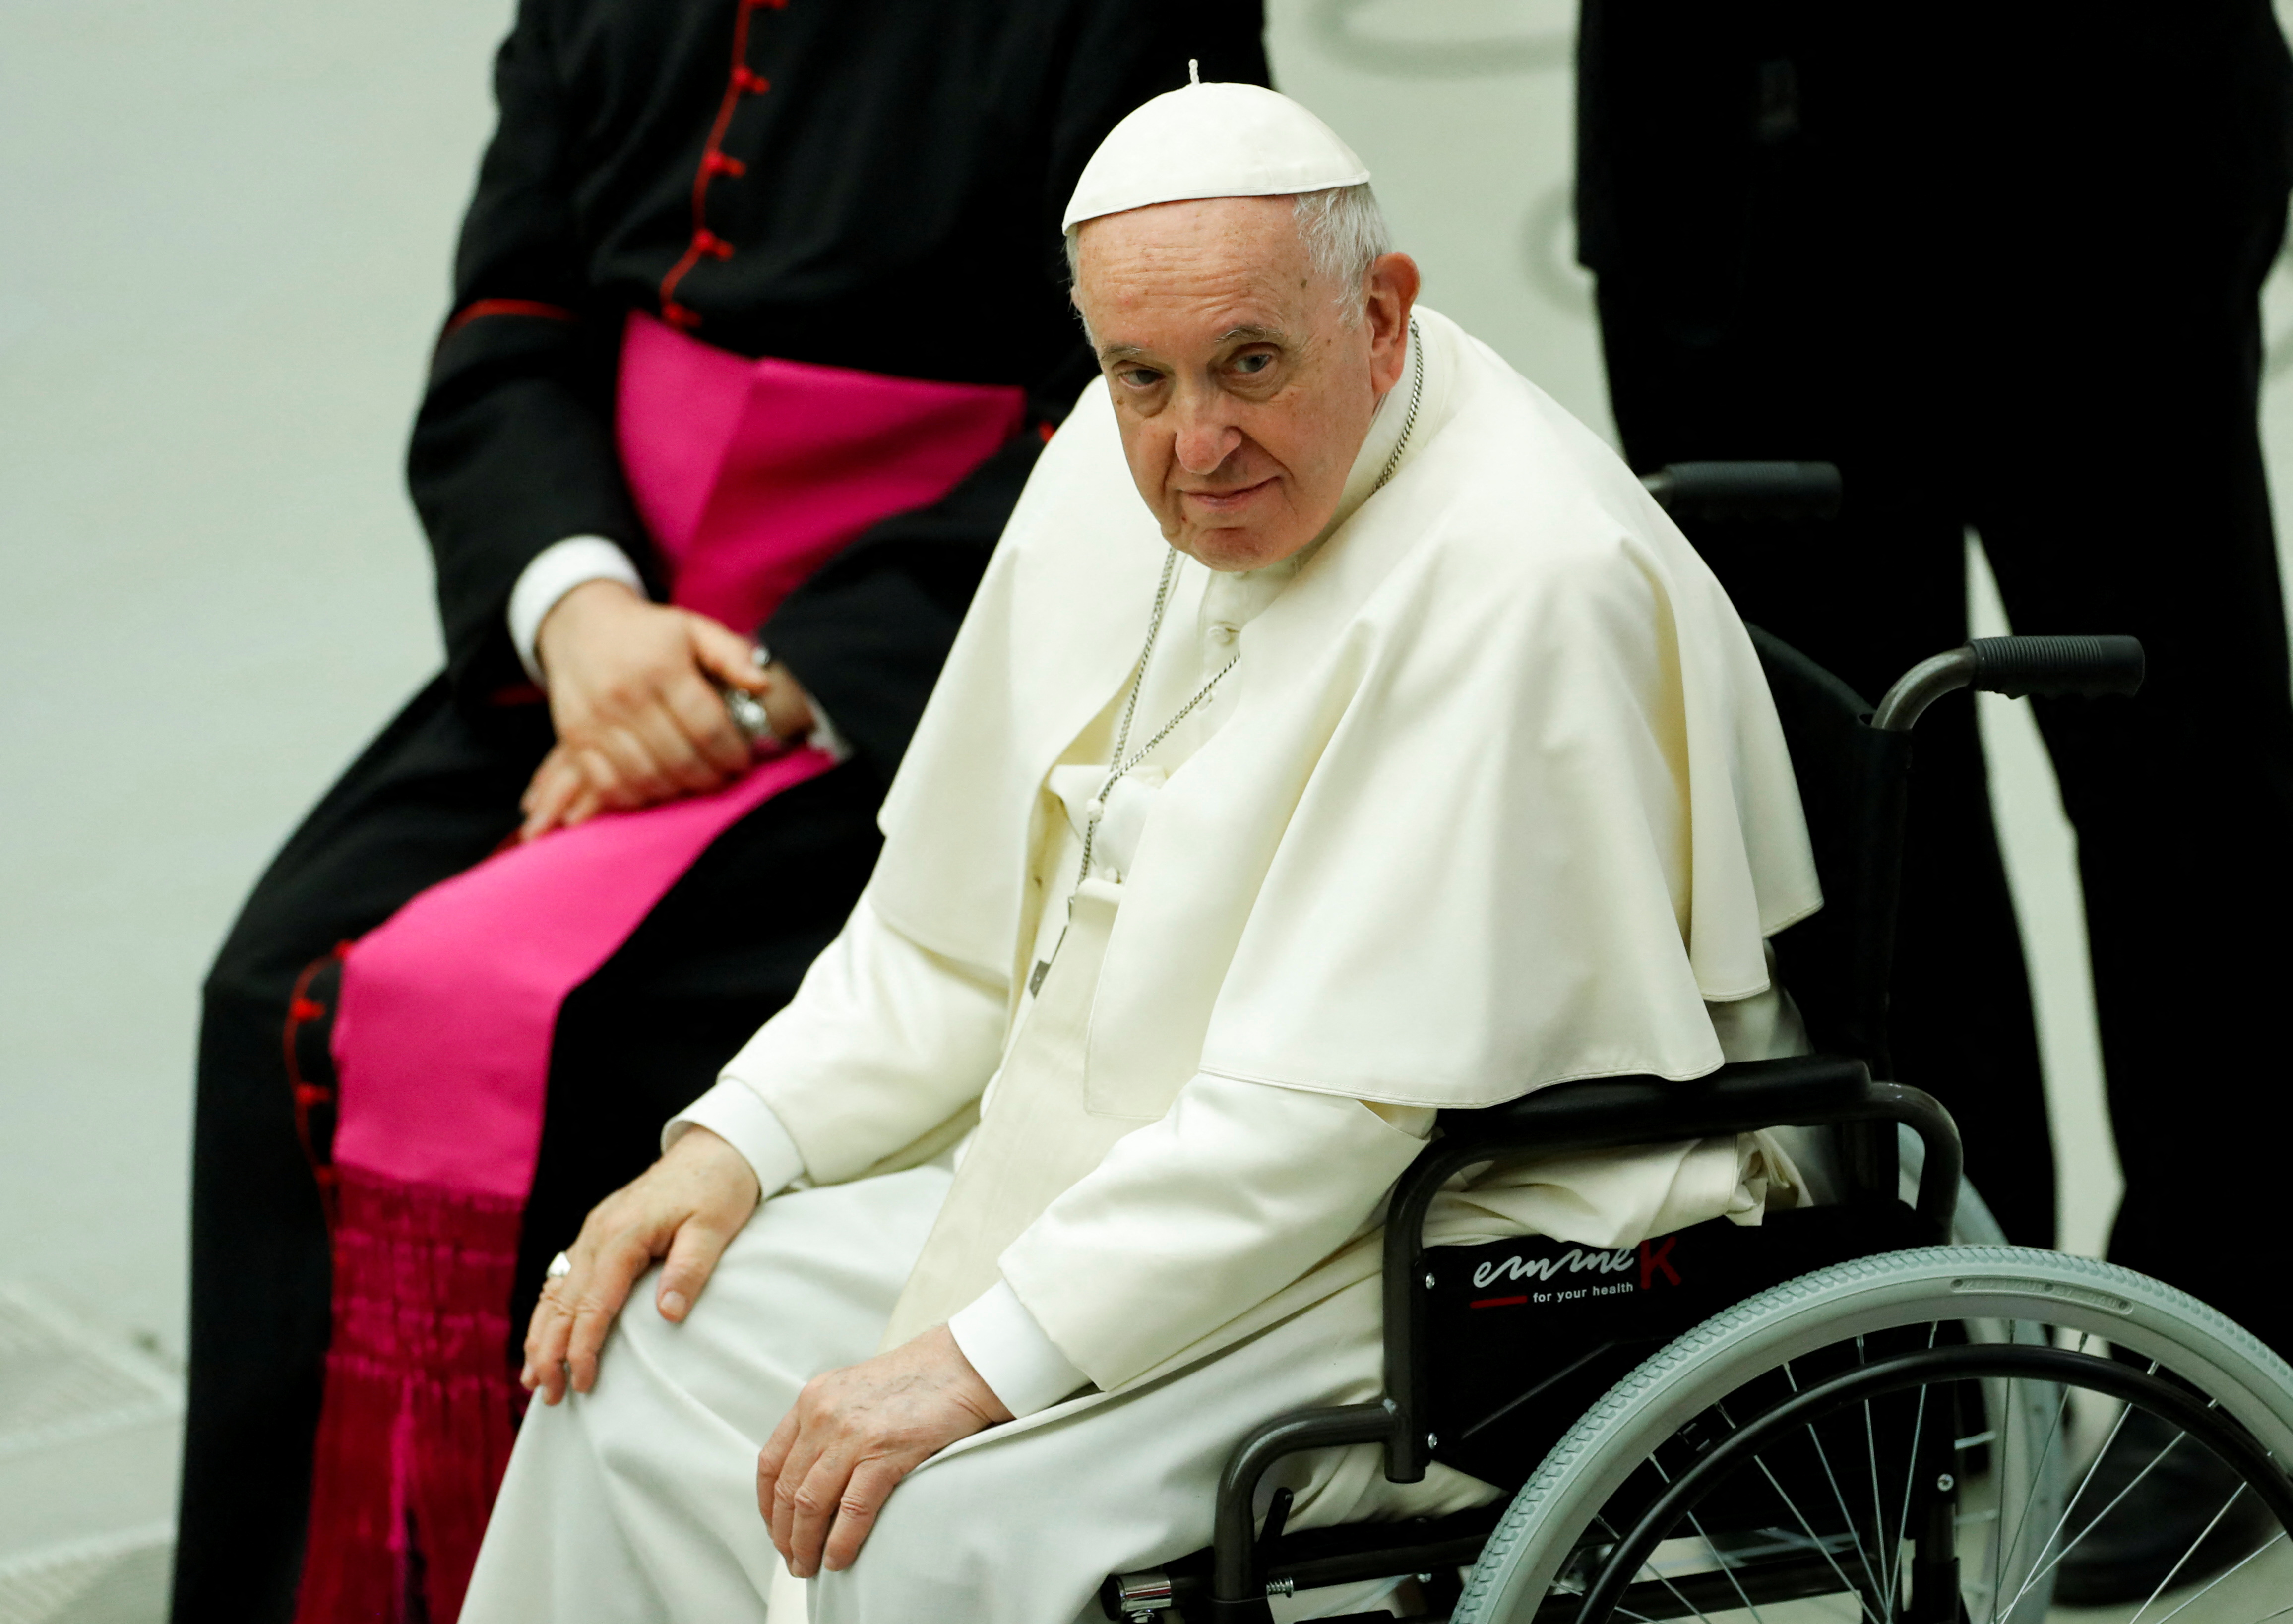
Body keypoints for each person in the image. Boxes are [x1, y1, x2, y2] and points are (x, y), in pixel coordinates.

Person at [458, 80, 1823, 1624]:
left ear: (1381, 315)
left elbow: (1330, 1115)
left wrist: (973, 1363)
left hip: (1448, 1226)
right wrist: (733, 1142)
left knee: (914, 1519)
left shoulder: (1523, 580)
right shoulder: (1110, 473)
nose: (1198, 447)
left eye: (1251, 363)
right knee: (643, 1350)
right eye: (1141, 378)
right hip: (1129, 1165)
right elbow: (949, 932)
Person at [173, 6, 1270, 1622]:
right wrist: (579, 615)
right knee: (277, 993)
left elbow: (1115, 406)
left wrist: (783, 686)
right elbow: (508, 322)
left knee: (591, 1031)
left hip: (915, 672)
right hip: (606, 640)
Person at [1576, 0, 2293, 1599]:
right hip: (1727, 135)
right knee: (1845, 807)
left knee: (2175, 768)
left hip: (2097, 127)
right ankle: (1929, 1328)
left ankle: (2222, 1320)